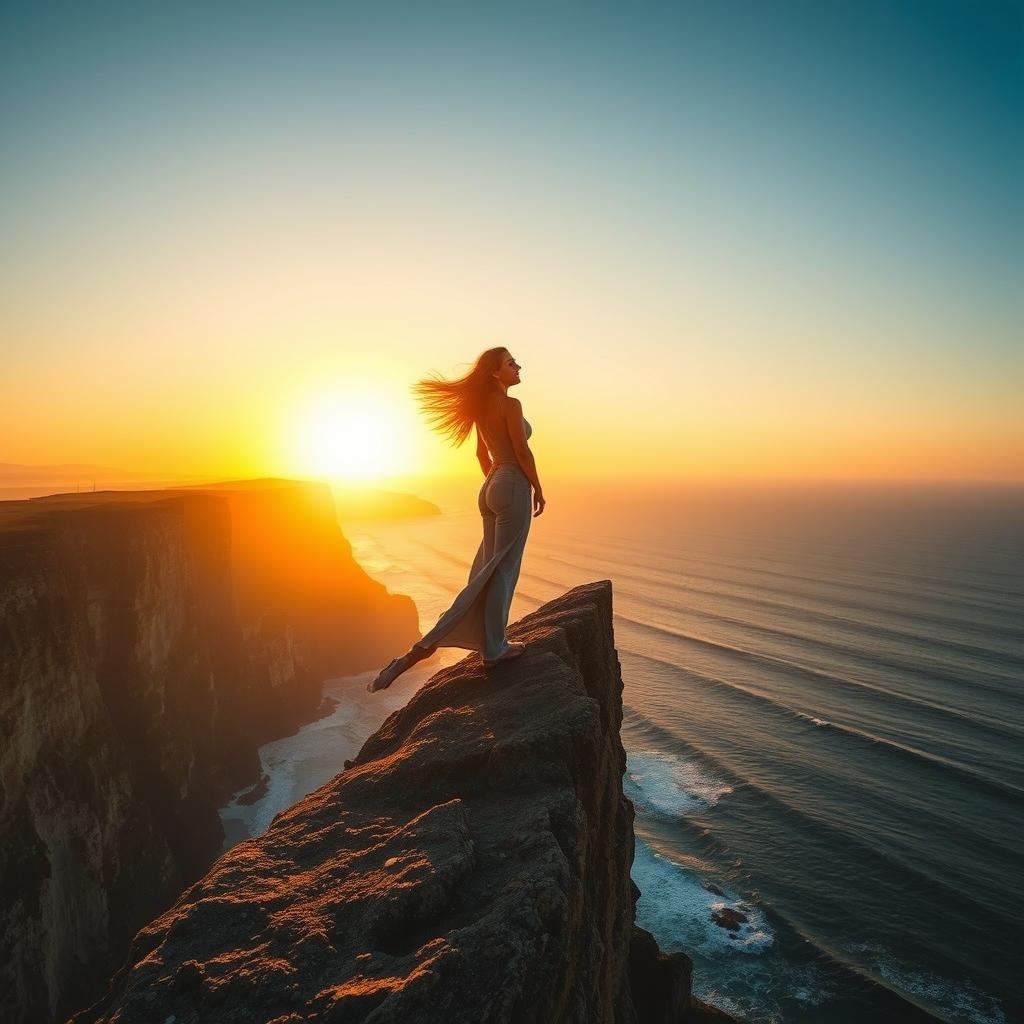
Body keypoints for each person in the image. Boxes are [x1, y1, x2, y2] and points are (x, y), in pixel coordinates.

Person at [367, 347, 545, 692]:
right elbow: (522, 451)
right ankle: (493, 648)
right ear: (496, 373)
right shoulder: (511, 405)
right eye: (511, 363)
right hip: (511, 484)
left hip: (492, 484)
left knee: (487, 569)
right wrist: (535, 486)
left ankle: (434, 650)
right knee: (503, 570)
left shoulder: (482, 408)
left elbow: (482, 453)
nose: (518, 366)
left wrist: (495, 481)